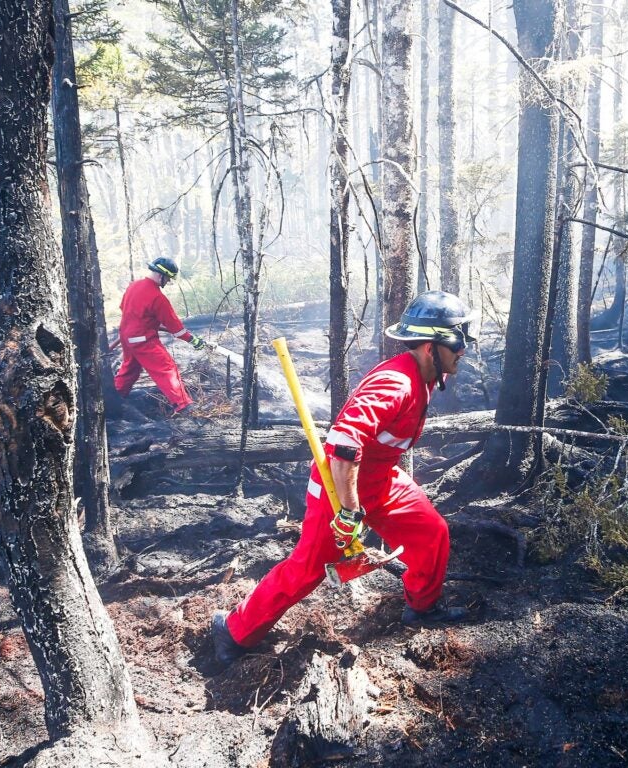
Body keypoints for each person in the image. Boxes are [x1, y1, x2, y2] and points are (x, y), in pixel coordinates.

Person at [212, 290, 476, 665]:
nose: (464, 350)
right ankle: (234, 629)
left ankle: (423, 606)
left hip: (381, 480)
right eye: (458, 341)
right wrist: (349, 512)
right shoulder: (396, 383)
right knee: (306, 571)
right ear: (433, 346)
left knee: (431, 533)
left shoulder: (426, 376)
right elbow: (345, 443)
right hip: (339, 489)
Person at [114, 257, 207, 416]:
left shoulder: (133, 286)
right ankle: (183, 405)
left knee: (130, 370)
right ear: (161, 275)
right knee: (166, 368)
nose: (168, 282)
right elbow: (176, 329)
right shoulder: (157, 297)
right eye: (168, 278)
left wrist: (148, 323)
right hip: (143, 340)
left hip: (126, 336)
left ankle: (113, 400)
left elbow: (125, 308)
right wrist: (193, 340)